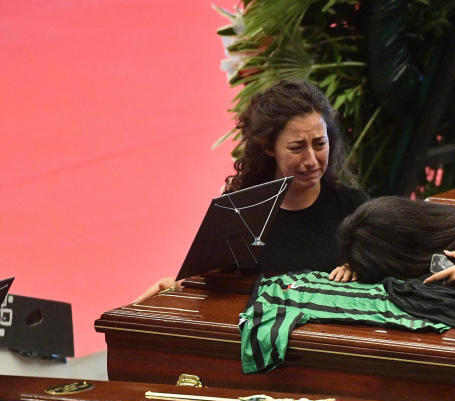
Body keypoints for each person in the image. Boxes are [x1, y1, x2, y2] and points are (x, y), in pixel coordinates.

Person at [135, 80, 366, 303]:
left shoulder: (355, 208)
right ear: (268, 146)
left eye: (319, 144)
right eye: (297, 148)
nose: (312, 160)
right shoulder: (239, 210)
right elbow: (208, 287)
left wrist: (362, 269)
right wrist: (172, 292)